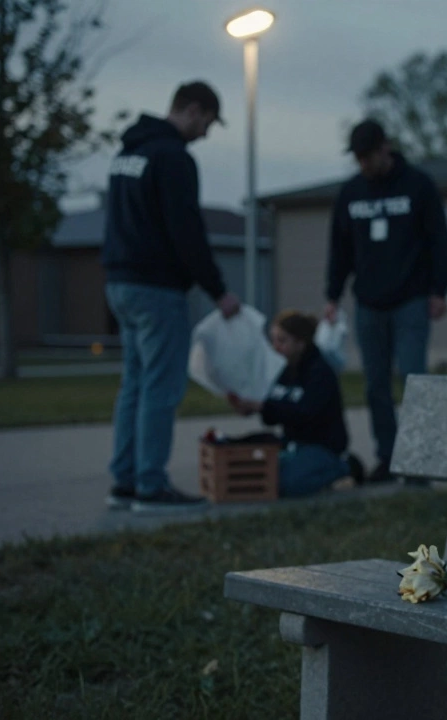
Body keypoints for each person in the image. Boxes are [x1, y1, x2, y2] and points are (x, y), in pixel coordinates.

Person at [102, 81, 241, 514]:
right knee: (161, 387)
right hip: (156, 288)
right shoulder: (173, 157)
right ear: (193, 110)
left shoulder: (127, 153)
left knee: (135, 386)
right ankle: (150, 485)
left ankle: (124, 482)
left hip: (119, 282)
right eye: (207, 124)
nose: (205, 134)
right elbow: (187, 232)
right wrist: (218, 290)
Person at [323, 119, 447, 483]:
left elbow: (439, 240)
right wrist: (332, 295)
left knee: (414, 381)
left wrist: (439, 289)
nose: (364, 164)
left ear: (385, 148)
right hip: (368, 303)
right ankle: (388, 457)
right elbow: (340, 249)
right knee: (375, 385)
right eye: (358, 159)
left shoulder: (418, 185)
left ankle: (419, 465)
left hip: (411, 300)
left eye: (368, 156)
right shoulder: (351, 194)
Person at [227, 311, 365, 497]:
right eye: (273, 340)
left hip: (321, 447)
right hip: (291, 445)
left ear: (300, 344)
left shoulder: (320, 373)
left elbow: (304, 413)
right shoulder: (283, 370)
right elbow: (272, 415)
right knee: (257, 475)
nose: (275, 347)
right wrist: (250, 407)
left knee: (287, 485)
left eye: (282, 341)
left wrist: (263, 406)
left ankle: (345, 467)